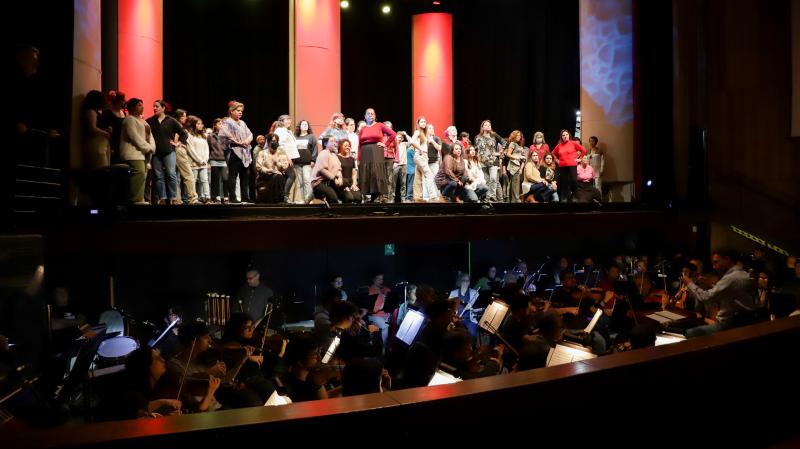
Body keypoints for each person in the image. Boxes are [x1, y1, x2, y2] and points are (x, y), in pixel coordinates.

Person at [683, 248, 757, 338]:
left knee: (688, 333)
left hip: (729, 325)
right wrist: (709, 284)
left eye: (716, 262)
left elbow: (705, 298)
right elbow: (729, 293)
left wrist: (688, 283)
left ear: (727, 259)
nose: (714, 267)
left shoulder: (731, 277)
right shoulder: (743, 273)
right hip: (742, 323)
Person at [146, 100, 185, 205]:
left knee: (171, 174)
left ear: (163, 108)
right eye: (153, 106)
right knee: (158, 176)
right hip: (156, 153)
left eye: (157, 106)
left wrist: (178, 143)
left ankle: (173, 197)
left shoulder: (171, 120)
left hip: (169, 151)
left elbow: (183, 133)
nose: (154, 108)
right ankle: (162, 198)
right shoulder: (149, 121)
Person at [119, 98, 155, 204]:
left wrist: (152, 147)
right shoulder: (129, 119)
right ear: (132, 107)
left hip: (143, 154)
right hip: (132, 153)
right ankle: (135, 200)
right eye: (139, 105)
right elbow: (134, 136)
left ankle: (140, 199)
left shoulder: (143, 121)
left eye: (142, 105)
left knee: (143, 175)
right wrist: (148, 147)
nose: (142, 107)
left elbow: (150, 136)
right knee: (139, 174)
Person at [358, 108, 396, 202]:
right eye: (368, 114)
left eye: (372, 114)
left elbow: (393, 134)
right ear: (365, 116)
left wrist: (385, 144)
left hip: (376, 150)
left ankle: (376, 196)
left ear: (375, 116)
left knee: (375, 172)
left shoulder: (380, 125)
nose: (370, 115)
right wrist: (358, 158)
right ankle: (368, 197)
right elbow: (359, 144)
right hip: (365, 151)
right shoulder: (363, 129)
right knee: (366, 172)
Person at [220, 101, 254, 203]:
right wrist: (238, 143)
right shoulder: (227, 122)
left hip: (244, 153)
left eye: (241, 111)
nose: (240, 112)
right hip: (234, 152)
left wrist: (246, 141)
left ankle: (245, 197)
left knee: (245, 176)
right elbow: (225, 135)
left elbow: (250, 134)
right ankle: (233, 197)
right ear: (231, 111)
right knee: (233, 176)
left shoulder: (242, 123)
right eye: (238, 110)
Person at [551, 129, 586, 202]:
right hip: (562, 166)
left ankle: (575, 196)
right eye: (563, 135)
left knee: (573, 180)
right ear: (561, 137)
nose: (565, 136)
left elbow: (583, 150)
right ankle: (565, 197)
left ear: (569, 135)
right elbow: (553, 153)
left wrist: (580, 159)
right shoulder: (559, 145)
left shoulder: (573, 143)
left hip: (572, 165)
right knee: (564, 182)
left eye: (566, 134)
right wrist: (557, 160)